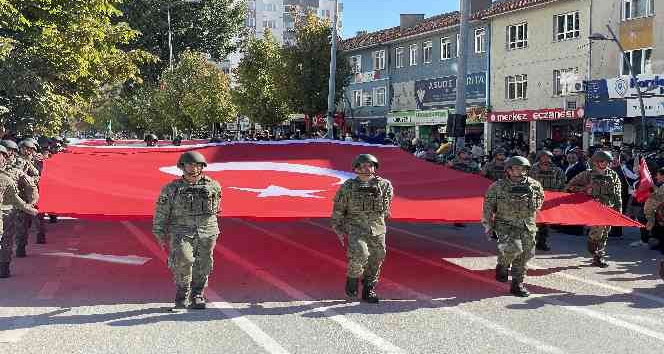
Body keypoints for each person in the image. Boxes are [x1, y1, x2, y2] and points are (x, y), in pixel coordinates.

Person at [152, 151, 222, 311]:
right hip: (181, 231)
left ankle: (198, 294)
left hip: (207, 230)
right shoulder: (172, 188)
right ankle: (182, 295)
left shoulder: (213, 185)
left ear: (202, 166)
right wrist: (159, 231)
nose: (194, 168)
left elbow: (217, 207)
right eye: (190, 164)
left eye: (197, 165)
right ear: (182, 166)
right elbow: (161, 211)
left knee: (203, 263)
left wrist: (213, 228)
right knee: (183, 260)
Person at [331, 154, 394, 304]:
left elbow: (386, 206)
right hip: (356, 227)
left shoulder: (384, 185)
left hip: (377, 228)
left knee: (377, 257)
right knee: (361, 254)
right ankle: (352, 278)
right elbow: (339, 208)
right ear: (357, 169)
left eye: (370, 166)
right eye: (363, 166)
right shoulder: (348, 186)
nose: (367, 169)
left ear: (375, 168)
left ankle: (369, 288)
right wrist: (337, 226)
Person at [482, 156, 544, 297]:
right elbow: (487, 207)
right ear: (508, 170)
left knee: (526, 254)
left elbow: (541, 199)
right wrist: (488, 225)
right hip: (505, 225)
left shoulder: (534, 185)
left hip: (527, 225)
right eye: (516, 168)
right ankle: (503, 265)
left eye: (523, 169)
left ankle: (517, 284)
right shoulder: (498, 186)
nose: (520, 171)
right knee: (514, 249)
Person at [566, 151, 622, 268]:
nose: (604, 163)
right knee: (597, 232)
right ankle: (593, 248)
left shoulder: (613, 175)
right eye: (601, 161)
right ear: (596, 162)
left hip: (608, 208)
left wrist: (619, 210)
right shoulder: (588, 174)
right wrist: (585, 189)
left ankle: (598, 256)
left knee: (605, 233)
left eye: (606, 161)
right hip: (594, 208)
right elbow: (570, 186)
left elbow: (617, 194)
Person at [0, 142, 38, 278]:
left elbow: (31, 185)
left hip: (10, 209)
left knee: (8, 238)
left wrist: (32, 202)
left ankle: (4, 265)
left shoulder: (15, 171)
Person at [529, 150, 565, 251]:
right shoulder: (532, 169)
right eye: (543, 157)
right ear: (539, 158)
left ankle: (542, 242)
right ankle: (532, 242)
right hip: (535, 198)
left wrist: (559, 196)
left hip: (550, 199)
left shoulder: (557, 170)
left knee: (545, 222)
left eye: (548, 157)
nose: (546, 159)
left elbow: (562, 183)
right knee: (534, 221)